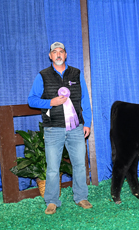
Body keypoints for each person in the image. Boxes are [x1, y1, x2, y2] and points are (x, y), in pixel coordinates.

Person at [28, 42, 92, 214]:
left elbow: (84, 99)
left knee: (79, 164)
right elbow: (31, 100)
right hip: (52, 128)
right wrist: (51, 102)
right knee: (53, 167)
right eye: (54, 52)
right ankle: (51, 200)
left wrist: (87, 123)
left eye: (61, 51)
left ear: (65, 55)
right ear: (50, 56)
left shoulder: (76, 74)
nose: (58, 54)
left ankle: (81, 197)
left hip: (76, 127)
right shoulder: (42, 76)